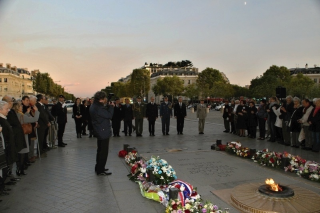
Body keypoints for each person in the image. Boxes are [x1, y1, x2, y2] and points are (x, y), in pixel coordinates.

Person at [90, 91, 114, 176]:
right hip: (103, 131)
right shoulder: (99, 108)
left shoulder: (95, 105)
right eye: (104, 98)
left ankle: (99, 167)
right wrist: (111, 107)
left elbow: (103, 113)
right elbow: (109, 115)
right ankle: (100, 170)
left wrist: (107, 105)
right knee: (103, 152)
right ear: (101, 99)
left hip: (99, 130)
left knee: (100, 150)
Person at [12, 102, 39, 176]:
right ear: (17, 107)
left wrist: (27, 113)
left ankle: (19, 168)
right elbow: (34, 119)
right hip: (23, 135)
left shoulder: (16, 115)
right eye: (20, 106)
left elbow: (24, 118)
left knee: (20, 151)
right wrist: (36, 111)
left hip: (19, 135)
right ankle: (20, 169)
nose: (22, 107)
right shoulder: (20, 115)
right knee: (23, 152)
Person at [0, 98, 17, 177]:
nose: (8, 110)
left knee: (8, 163)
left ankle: (7, 178)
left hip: (9, 145)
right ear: (1, 109)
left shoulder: (4, 118)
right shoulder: (1, 120)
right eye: (6, 109)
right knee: (5, 165)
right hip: (6, 146)